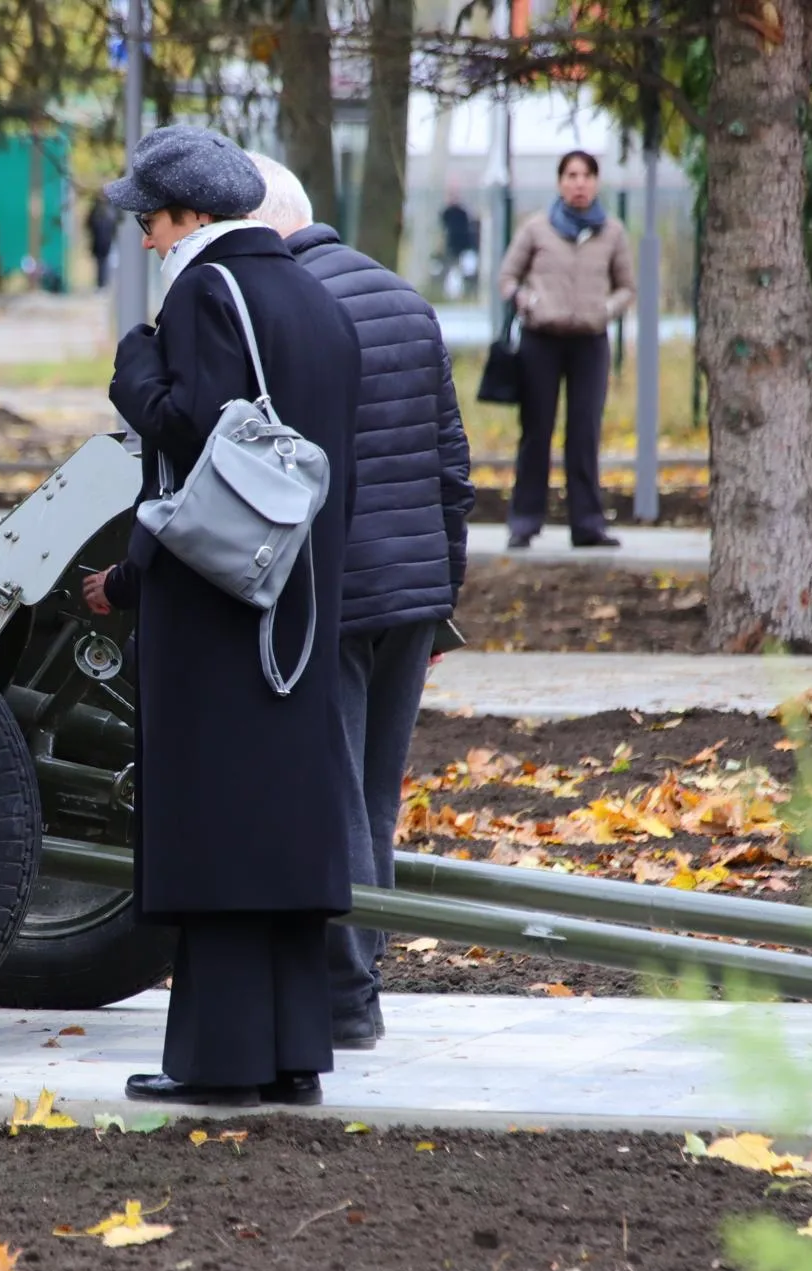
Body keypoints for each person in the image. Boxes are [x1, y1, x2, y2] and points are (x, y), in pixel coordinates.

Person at [81, 124, 359, 1108]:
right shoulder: (312, 296)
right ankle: (292, 1055)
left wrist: (134, 376)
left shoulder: (208, 292)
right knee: (278, 829)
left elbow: (199, 445)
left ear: (193, 215)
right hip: (299, 601)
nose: (148, 239)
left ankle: (218, 1060)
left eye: (151, 220)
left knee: (219, 829)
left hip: (220, 610)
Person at [246, 153, 475, 1051]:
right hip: (411, 594)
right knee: (374, 798)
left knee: (332, 796)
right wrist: (441, 592)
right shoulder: (406, 300)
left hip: (331, 592)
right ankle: (359, 984)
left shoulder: (283, 311)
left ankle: (346, 1000)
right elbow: (452, 466)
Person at [496, 149, 636, 550]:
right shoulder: (536, 229)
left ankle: (588, 524)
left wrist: (606, 310)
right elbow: (507, 277)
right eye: (572, 175)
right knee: (536, 431)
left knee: (584, 433)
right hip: (541, 342)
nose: (579, 183)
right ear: (560, 181)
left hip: (590, 344)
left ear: (596, 182)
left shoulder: (612, 232)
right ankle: (524, 522)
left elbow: (627, 287)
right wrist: (527, 302)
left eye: (587, 175)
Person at [85, 194, 117, 289]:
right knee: (102, 262)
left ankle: (102, 283)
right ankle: (102, 283)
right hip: (102, 241)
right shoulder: (107, 211)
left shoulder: (102, 211)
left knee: (103, 262)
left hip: (103, 241)